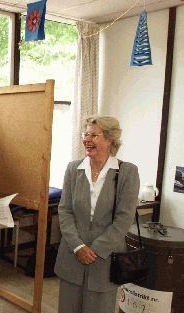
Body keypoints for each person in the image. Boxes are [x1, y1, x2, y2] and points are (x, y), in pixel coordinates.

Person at [54, 115, 140, 313]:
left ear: (109, 139)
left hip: (105, 259)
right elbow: (65, 210)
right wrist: (78, 246)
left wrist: (95, 250)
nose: (87, 139)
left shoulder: (127, 172)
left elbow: (124, 219)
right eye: (85, 134)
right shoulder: (73, 168)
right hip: (72, 255)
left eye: (94, 135)